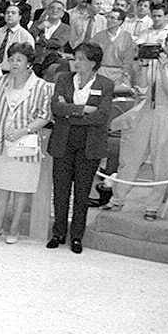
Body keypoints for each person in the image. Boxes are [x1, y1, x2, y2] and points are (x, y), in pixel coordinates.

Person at [108, 30, 168, 218]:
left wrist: (163, 69)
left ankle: (152, 207)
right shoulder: (154, 64)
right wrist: (141, 67)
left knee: (162, 162)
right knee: (131, 157)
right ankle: (117, 199)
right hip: (146, 111)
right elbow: (142, 88)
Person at [48, 42, 114, 253]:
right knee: (60, 190)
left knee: (82, 193)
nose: (76, 62)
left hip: (89, 143)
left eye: (81, 59)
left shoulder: (105, 84)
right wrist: (82, 110)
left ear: (93, 63)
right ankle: (58, 232)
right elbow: (56, 108)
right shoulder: (64, 79)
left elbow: (101, 116)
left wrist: (70, 113)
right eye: (75, 57)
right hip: (64, 141)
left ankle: (77, 236)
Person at [0, 42, 51, 243]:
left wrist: (24, 130)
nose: (14, 63)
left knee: (20, 187)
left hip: (26, 142)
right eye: (11, 59)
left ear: (29, 63)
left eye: (18, 60)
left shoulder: (41, 86)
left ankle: (14, 228)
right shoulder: (2, 81)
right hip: (0, 142)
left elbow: (44, 115)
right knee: (1, 185)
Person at [93, 7, 135, 87]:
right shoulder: (98, 36)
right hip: (101, 71)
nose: (108, 20)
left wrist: (125, 74)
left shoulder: (127, 37)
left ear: (120, 21)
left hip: (119, 73)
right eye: (108, 17)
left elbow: (128, 59)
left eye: (112, 18)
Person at [0, 3, 34, 72]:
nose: (9, 15)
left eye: (13, 13)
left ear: (20, 17)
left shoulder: (25, 36)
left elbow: (28, 60)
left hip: (12, 72)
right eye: (7, 13)